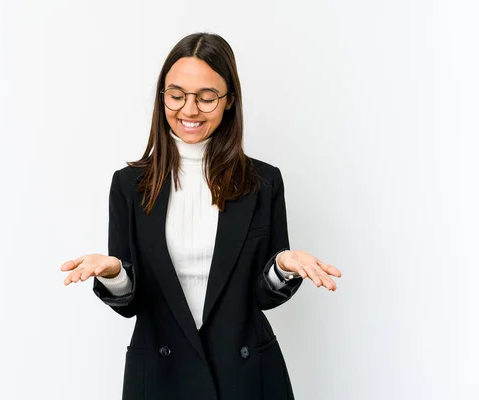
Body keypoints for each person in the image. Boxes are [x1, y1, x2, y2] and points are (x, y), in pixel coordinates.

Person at [60, 32, 342, 400]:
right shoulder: (129, 185)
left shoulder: (263, 182)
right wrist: (114, 274)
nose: (189, 110)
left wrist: (283, 266)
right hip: (160, 377)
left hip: (246, 377)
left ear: (229, 102)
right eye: (176, 95)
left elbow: (264, 297)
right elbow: (130, 304)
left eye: (206, 98)